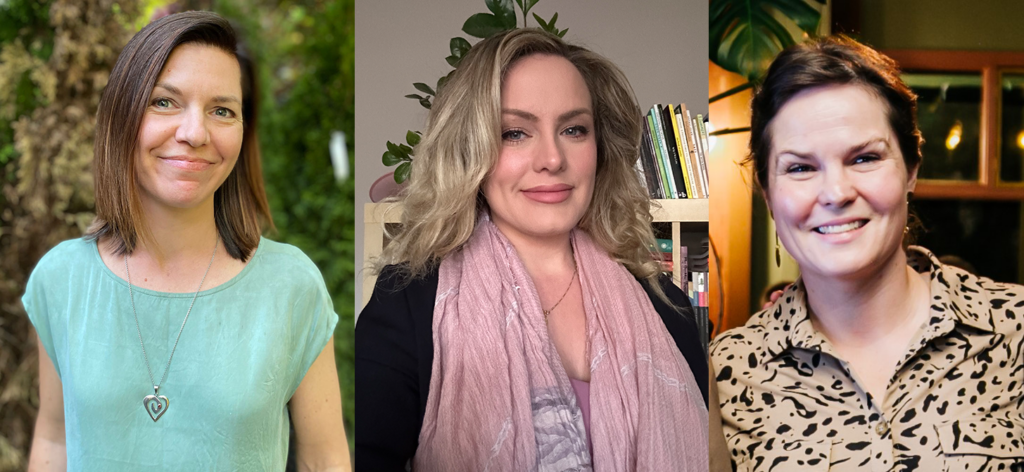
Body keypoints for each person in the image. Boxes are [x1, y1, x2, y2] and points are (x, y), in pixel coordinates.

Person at [356, 29, 708, 471]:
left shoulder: (666, 305)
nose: (552, 159)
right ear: (472, 150)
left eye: (574, 129)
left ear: (599, 150)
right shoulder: (409, 301)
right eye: (516, 133)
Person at [22, 12, 350, 470]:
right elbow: (55, 439)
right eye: (164, 102)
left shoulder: (292, 286)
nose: (195, 133)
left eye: (222, 110)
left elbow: (324, 458)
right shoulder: (62, 279)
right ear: (122, 115)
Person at [710, 35, 1024, 471]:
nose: (836, 193)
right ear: (767, 192)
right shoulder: (724, 375)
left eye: (863, 159)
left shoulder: (1015, 329)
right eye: (800, 168)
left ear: (911, 168)